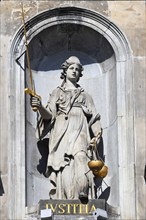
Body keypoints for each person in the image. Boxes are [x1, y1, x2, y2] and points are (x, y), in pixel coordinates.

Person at [31, 56, 102, 203]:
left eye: (77, 69)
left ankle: (83, 193)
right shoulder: (57, 92)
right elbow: (49, 116)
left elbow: (94, 118)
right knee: (65, 166)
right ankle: (68, 199)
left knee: (82, 157)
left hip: (81, 131)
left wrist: (96, 135)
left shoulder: (85, 95)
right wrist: (39, 107)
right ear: (65, 71)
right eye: (71, 68)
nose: (74, 71)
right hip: (62, 132)